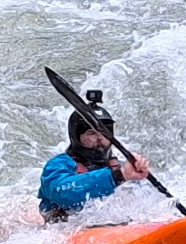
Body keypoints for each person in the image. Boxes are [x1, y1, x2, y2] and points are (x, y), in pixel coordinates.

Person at [37, 88, 152, 222]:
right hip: (66, 230)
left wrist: (138, 175)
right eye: (91, 133)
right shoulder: (58, 165)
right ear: (76, 137)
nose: (100, 138)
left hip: (111, 227)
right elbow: (63, 194)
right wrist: (119, 176)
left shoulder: (120, 167)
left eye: (105, 132)